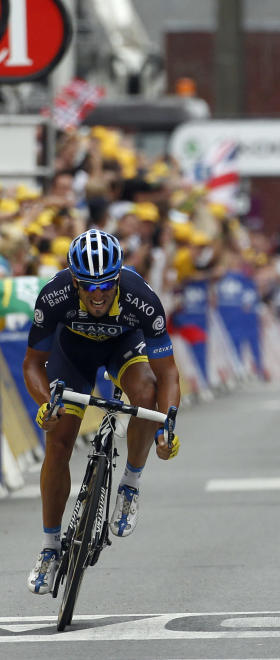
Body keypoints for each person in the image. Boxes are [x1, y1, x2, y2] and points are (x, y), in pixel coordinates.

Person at [25, 229, 180, 594]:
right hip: (72, 354)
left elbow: (168, 372)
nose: (98, 295)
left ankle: (130, 483)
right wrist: (46, 405)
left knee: (144, 393)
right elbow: (33, 364)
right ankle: (50, 546)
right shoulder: (54, 295)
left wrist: (168, 425)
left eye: (106, 286)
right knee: (58, 442)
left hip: (123, 347)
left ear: (117, 279)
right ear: (75, 281)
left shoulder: (141, 298)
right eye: (89, 287)